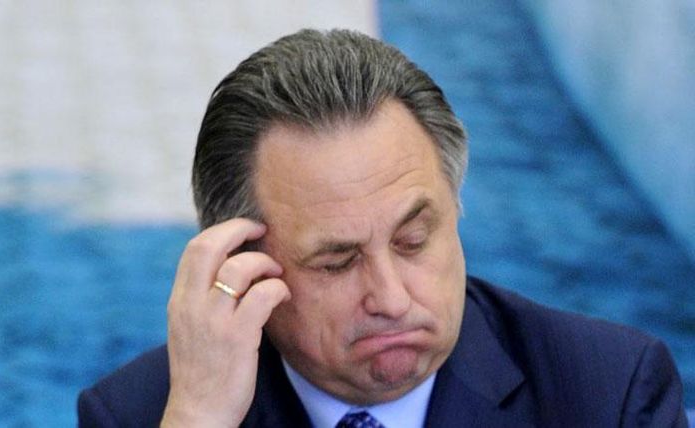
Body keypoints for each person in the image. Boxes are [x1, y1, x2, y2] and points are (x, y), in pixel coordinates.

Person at [77, 29, 688, 427]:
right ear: (244, 265)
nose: (392, 299)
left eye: (413, 242)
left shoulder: (608, 392)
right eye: (337, 262)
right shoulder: (144, 411)